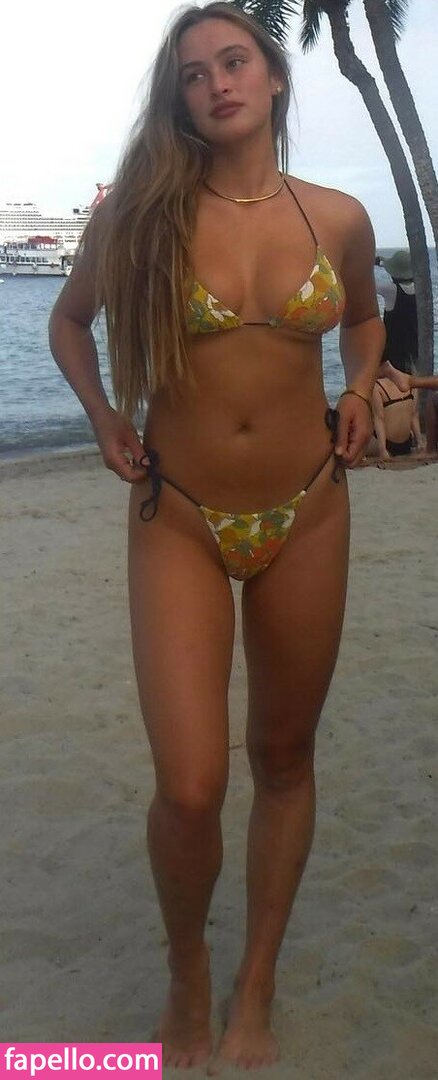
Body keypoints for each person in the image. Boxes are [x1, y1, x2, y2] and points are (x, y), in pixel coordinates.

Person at [48, 2, 386, 1070]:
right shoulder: (144, 217)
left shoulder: (337, 216)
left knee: (283, 757)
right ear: (180, 101)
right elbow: (69, 320)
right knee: (190, 785)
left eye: (234, 62)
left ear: (274, 78)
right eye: (193, 74)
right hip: (181, 517)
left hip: (309, 505)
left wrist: (360, 385)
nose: (217, 83)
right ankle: (188, 969)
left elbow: (364, 316)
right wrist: (103, 417)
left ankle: (258, 984)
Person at [374, 249, 418, 374]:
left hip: (393, 350)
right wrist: (384, 262)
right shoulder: (419, 289)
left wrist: (373, 263)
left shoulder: (391, 290)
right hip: (414, 347)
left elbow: (368, 284)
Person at [365, 375, 423, 462]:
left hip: (387, 445)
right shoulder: (411, 381)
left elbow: (379, 419)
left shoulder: (378, 386)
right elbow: (414, 416)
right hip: (406, 445)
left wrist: (382, 450)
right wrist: (419, 443)